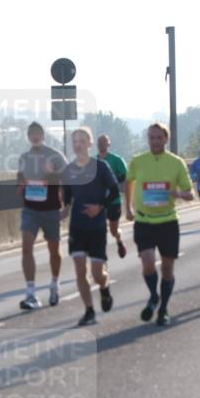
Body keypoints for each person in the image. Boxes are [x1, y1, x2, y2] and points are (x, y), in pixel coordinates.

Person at [125, 123, 194, 326]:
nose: (155, 141)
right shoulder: (138, 161)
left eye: (159, 138)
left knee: (167, 268)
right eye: (151, 138)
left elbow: (190, 193)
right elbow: (129, 181)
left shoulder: (176, 163)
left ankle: (163, 309)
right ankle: (153, 296)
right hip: (144, 221)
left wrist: (178, 194)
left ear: (166, 139)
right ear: (148, 139)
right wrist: (127, 208)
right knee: (147, 263)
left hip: (168, 222)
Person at [62, 128, 121, 326]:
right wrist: (65, 209)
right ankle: (89, 311)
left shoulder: (101, 167)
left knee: (97, 275)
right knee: (79, 269)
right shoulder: (69, 170)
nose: (77, 144)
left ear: (89, 144)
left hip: (96, 226)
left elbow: (114, 191)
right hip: (77, 227)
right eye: (75, 141)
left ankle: (104, 288)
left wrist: (100, 207)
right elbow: (68, 195)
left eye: (82, 140)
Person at [16, 122, 67, 309]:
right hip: (30, 209)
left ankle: (54, 284)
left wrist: (66, 206)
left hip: (51, 209)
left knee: (54, 249)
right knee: (26, 247)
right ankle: (31, 293)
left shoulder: (55, 155)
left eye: (38, 133)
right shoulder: (24, 157)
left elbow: (67, 179)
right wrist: (21, 187)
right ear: (28, 136)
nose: (35, 136)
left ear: (43, 135)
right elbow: (19, 181)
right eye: (31, 134)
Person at [97, 133, 129, 259]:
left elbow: (126, 177)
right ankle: (101, 256)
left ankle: (119, 241)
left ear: (109, 144)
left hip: (114, 200)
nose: (102, 143)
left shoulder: (117, 160)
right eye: (100, 141)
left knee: (113, 231)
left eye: (104, 141)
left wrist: (112, 180)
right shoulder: (94, 161)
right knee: (100, 229)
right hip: (100, 201)